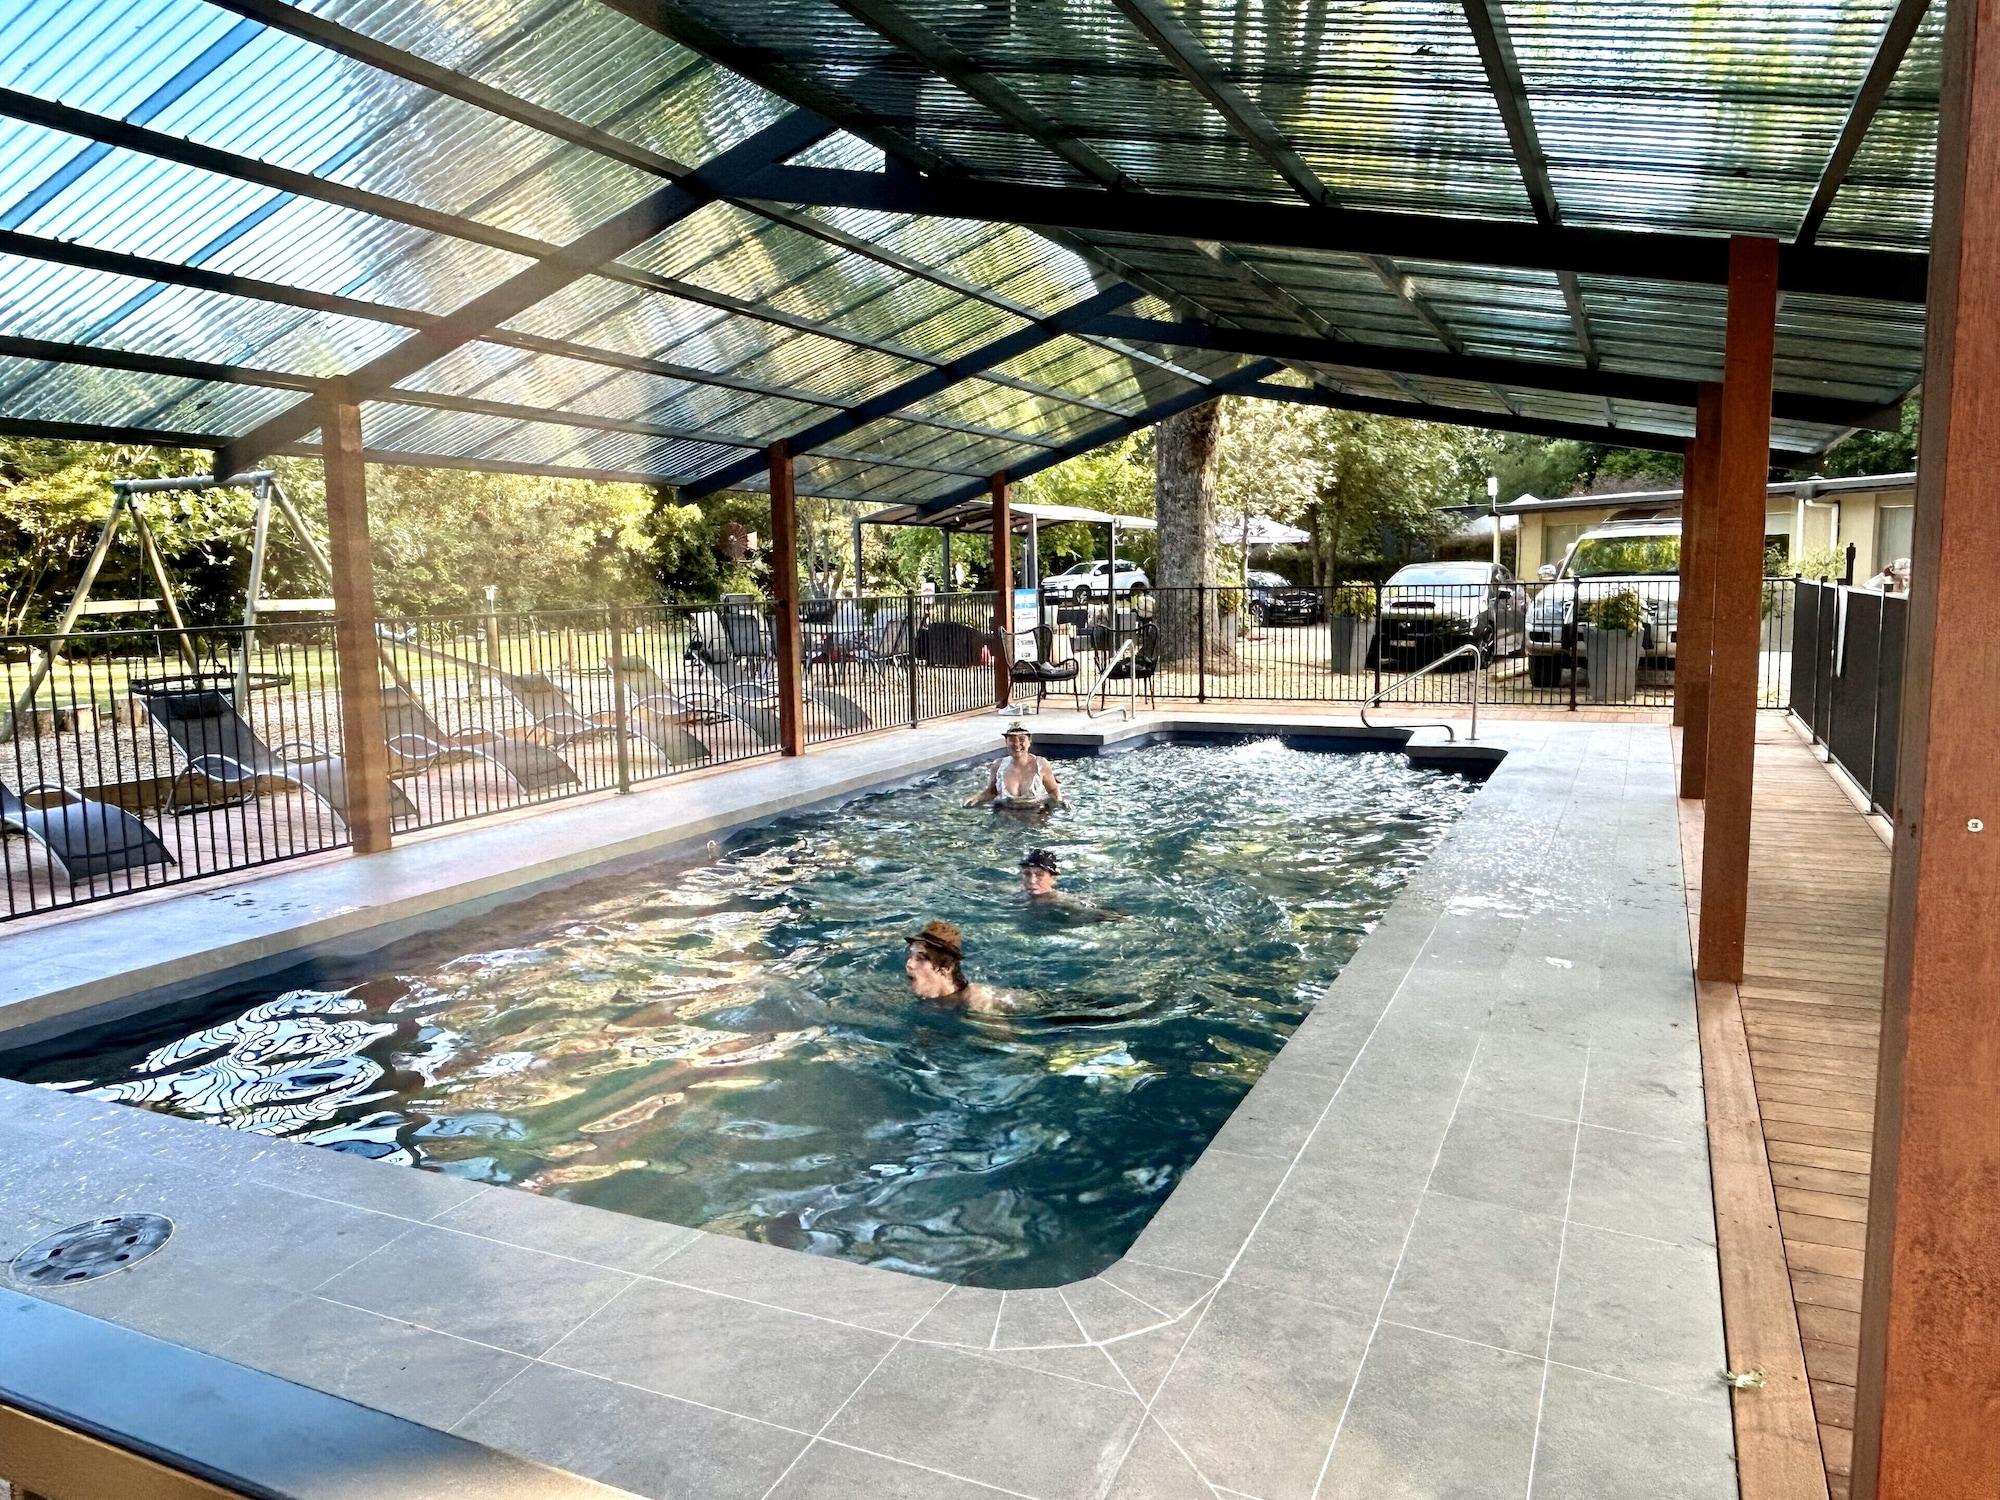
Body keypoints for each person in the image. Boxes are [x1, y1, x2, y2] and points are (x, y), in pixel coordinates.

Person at [903, 920, 1020, 1015]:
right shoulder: (920, 996)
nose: (909, 964)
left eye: (921, 958)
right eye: (911, 956)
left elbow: (1004, 1036)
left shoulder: (977, 1000)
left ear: (946, 968)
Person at [965, 723, 1067, 811]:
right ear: (1006, 742)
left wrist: (1060, 801)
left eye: (1021, 739)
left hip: (1035, 814)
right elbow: (992, 791)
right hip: (1006, 813)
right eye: (1012, 740)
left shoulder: (1041, 764)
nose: (1017, 744)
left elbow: (1053, 789)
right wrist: (977, 798)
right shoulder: (998, 765)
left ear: (1029, 741)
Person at [1019, 848, 1125, 922]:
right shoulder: (1018, 894)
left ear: (1053, 879)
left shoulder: (1063, 902)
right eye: (1027, 874)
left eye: (1039, 875)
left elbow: (1106, 915)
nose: (1032, 881)